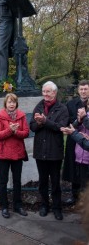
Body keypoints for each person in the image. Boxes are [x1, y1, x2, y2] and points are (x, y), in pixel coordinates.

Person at [30, 81, 69, 220]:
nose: (45, 94)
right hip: (40, 151)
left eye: (48, 91)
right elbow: (32, 127)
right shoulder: (39, 106)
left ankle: (57, 208)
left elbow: (61, 127)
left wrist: (45, 121)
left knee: (55, 182)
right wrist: (39, 123)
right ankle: (44, 205)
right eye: (43, 91)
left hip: (55, 152)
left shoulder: (62, 108)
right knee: (42, 182)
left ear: (54, 92)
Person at [0, 93, 29, 218]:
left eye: (13, 102)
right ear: (6, 103)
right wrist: (10, 130)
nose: (11, 104)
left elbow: (26, 133)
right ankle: (4, 206)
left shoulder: (22, 116)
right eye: (9, 102)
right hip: (3, 153)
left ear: (16, 104)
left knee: (17, 181)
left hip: (17, 153)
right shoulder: (0, 116)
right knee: (3, 182)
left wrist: (16, 131)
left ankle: (17, 205)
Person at [62, 80, 89, 204]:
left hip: (87, 141)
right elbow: (68, 122)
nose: (83, 91)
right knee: (74, 169)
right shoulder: (71, 103)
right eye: (81, 89)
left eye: (86, 89)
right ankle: (74, 195)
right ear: (78, 90)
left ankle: (85, 199)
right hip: (74, 141)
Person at [61, 104, 89, 191]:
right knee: (83, 186)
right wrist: (79, 121)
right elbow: (73, 127)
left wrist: (74, 133)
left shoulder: (85, 116)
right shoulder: (85, 115)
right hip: (81, 156)